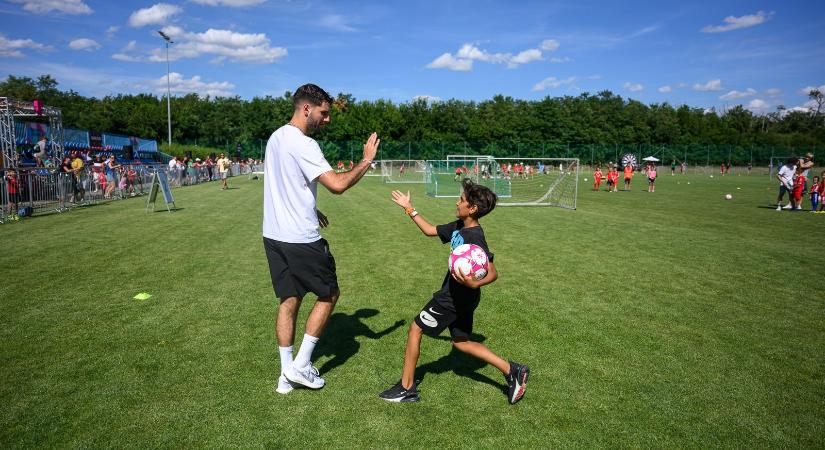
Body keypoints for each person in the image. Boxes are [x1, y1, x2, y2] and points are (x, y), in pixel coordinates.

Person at [263, 83, 380, 394]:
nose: (327, 119)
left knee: (289, 300)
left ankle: (284, 375)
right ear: (306, 109)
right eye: (323, 113)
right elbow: (337, 185)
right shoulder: (304, 144)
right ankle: (300, 365)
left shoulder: (275, 137)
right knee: (329, 295)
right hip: (301, 239)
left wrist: (310, 208)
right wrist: (366, 159)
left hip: (273, 235)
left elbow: (287, 183)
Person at [379, 179, 529, 404]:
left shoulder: (474, 236)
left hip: (453, 298)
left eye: (461, 200)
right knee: (461, 342)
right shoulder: (460, 226)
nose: (457, 203)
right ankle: (512, 370)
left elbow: (493, 273)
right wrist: (409, 208)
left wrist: (473, 283)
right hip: (464, 298)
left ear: (473, 209)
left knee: (415, 329)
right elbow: (430, 231)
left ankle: (406, 387)